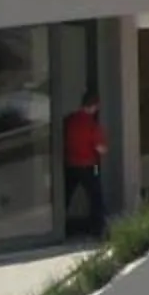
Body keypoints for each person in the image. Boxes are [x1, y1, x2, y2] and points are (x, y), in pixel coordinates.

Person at [62, 91, 106, 237]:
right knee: (96, 196)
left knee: (65, 196)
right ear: (95, 106)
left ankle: (59, 226)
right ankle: (97, 230)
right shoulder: (92, 124)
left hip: (71, 164)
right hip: (89, 165)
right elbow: (100, 148)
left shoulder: (70, 120)